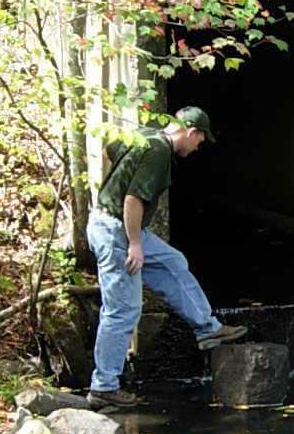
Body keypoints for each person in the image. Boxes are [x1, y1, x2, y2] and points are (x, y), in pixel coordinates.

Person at [86, 106, 248, 410]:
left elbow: (110, 149)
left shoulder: (145, 135)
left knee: (173, 261)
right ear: (191, 132)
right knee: (123, 310)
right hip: (117, 231)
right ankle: (104, 386)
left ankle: (207, 328)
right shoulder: (160, 152)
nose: (199, 146)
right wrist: (134, 244)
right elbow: (134, 199)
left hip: (117, 224)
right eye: (200, 140)